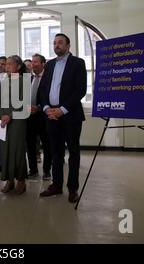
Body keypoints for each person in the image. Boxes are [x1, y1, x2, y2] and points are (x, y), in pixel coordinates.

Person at [38, 33, 87, 203]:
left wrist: (63, 109)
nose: (56, 45)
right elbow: (43, 89)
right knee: (55, 153)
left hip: (70, 116)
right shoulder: (50, 64)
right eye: (54, 43)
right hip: (51, 116)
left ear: (68, 45)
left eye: (60, 42)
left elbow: (80, 90)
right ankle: (56, 185)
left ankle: (72, 188)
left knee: (73, 153)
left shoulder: (78, 63)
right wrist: (46, 108)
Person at [0, 55, 28, 194]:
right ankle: (9, 180)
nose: (7, 66)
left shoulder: (23, 82)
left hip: (18, 120)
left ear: (19, 66)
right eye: (6, 64)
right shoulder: (3, 81)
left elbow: (24, 103)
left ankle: (21, 181)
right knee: (5, 150)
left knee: (17, 150)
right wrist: (2, 114)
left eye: (10, 64)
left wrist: (9, 115)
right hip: (4, 120)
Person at [26, 54, 52, 180]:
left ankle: (47, 171)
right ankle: (33, 169)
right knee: (30, 145)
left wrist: (40, 107)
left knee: (47, 145)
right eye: (32, 62)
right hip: (30, 117)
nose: (33, 64)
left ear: (43, 64)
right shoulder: (29, 79)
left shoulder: (49, 79)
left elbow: (51, 97)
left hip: (44, 116)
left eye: (36, 62)